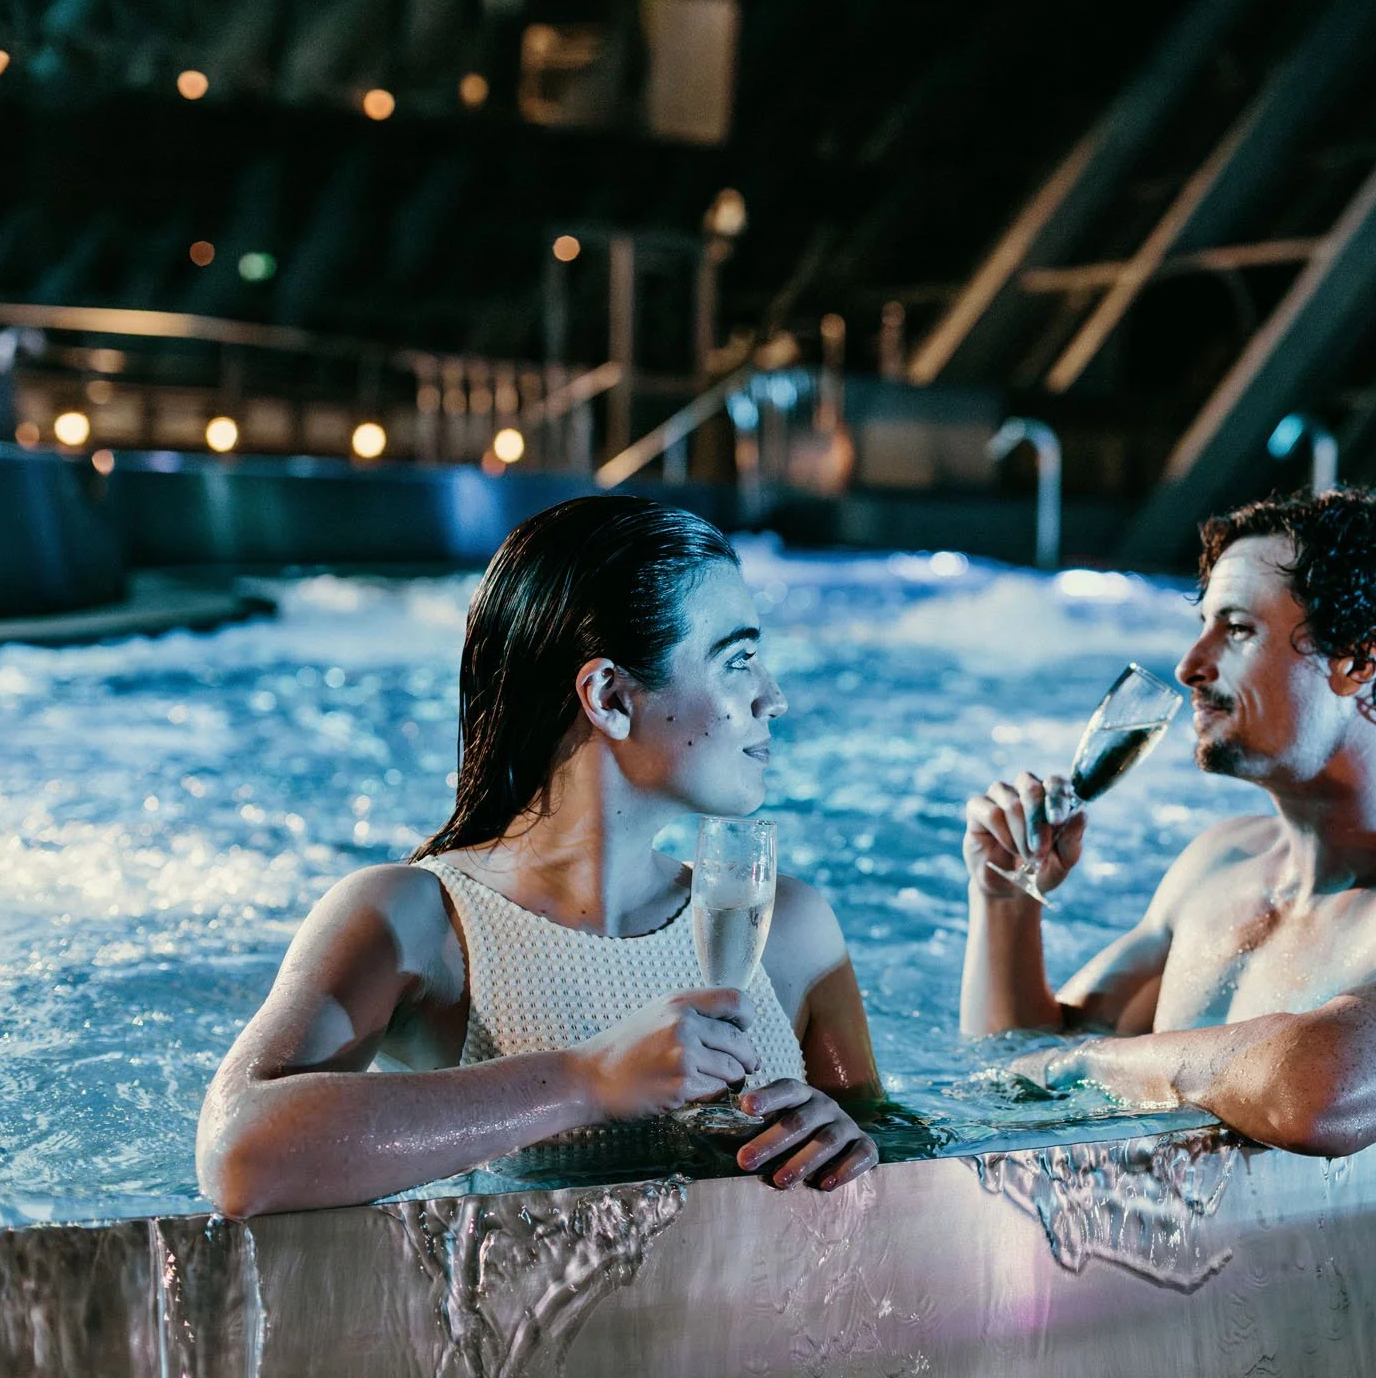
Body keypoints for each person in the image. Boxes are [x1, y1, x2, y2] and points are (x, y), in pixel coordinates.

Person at [198, 497, 879, 1215]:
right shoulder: (424, 922)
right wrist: (588, 1079)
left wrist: (854, 1139)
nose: (774, 696)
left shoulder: (791, 929)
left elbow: (905, 1149)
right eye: (738, 659)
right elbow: (240, 1154)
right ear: (611, 697)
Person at [959, 490, 1376, 1156]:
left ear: (1357, 659)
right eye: (1205, 623)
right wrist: (1006, 899)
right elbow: (1011, 1072)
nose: (1190, 665)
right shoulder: (1219, 864)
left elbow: (1322, 1093)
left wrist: (1090, 1064)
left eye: (1237, 629)